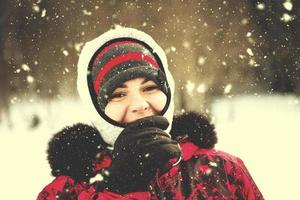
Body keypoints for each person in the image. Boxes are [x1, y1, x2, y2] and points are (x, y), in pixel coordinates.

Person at [37, 27, 264, 200]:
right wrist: (120, 189)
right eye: (118, 95)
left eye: (150, 88)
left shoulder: (222, 169)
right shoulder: (67, 191)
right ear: (96, 107)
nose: (139, 104)